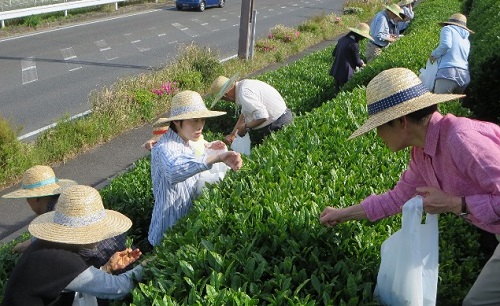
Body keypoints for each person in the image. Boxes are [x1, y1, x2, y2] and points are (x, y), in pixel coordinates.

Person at [319, 67, 500, 305]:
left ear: (402, 121)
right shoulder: (422, 152)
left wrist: (456, 204)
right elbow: (398, 198)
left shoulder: (461, 140)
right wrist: (343, 214)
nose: (378, 135)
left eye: (379, 126)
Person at [2, 184, 146, 305]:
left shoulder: (51, 246)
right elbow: (119, 288)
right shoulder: (63, 259)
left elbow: (70, 282)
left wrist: (107, 268)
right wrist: (149, 264)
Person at [148, 90, 243, 246]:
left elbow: (192, 163)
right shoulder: (164, 147)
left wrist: (213, 150)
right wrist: (217, 157)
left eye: (202, 120)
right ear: (178, 122)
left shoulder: (186, 142)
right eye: (194, 120)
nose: (200, 126)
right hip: (166, 232)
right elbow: (175, 170)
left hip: (184, 227)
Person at [2, 165, 128, 271]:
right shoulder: (68, 202)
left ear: (35, 198)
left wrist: (13, 250)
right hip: (121, 257)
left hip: (103, 266)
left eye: (27, 199)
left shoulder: (58, 217)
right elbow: (33, 241)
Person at [208, 74, 294, 145]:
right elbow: (245, 113)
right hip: (283, 117)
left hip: (277, 124)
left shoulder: (244, 93)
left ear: (226, 95)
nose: (228, 101)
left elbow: (262, 116)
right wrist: (233, 134)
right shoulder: (244, 85)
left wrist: (245, 127)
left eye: (224, 99)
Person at [429, 13, 473, 94]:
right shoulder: (466, 39)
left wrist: (433, 55)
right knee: (452, 104)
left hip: (448, 72)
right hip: (464, 75)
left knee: (439, 103)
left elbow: (446, 45)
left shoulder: (448, 29)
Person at [329, 23, 373, 90]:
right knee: (344, 90)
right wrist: (365, 65)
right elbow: (357, 62)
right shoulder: (354, 44)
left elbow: (334, 53)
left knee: (337, 89)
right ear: (360, 35)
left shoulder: (342, 39)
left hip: (336, 70)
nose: (363, 39)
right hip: (346, 72)